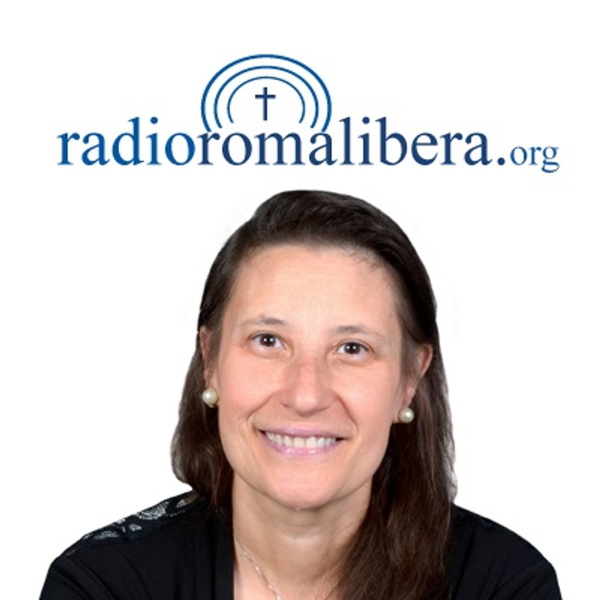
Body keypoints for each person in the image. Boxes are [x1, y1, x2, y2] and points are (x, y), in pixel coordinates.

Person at [40, 190, 562, 600]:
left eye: (352, 348)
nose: (306, 394)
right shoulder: (102, 586)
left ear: (410, 378)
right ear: (210, 360)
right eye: (268, 341)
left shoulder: (503, 585)